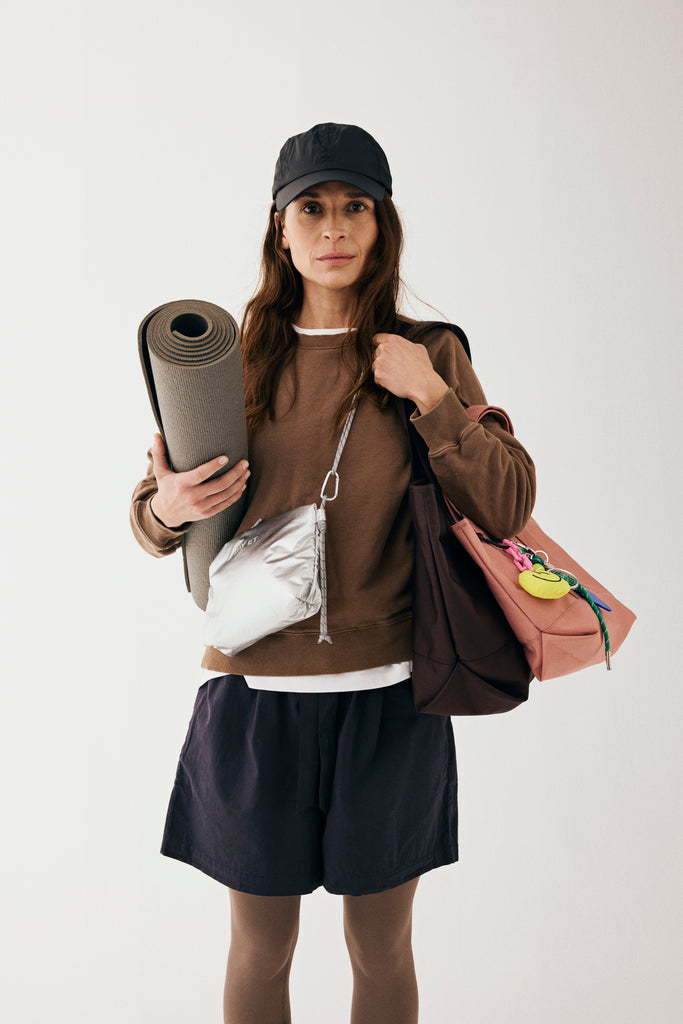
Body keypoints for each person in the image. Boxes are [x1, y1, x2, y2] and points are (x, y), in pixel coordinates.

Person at [130, 122, 536, 1024]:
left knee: (380, 949)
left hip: (391, 697)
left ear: (382, 223)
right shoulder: (230, 356)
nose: (333, 226)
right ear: (280, 230)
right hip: (254, 697)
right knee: (259, 949)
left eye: (356, 206)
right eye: (310, 208)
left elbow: (507, 503)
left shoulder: (430, 351)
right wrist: (171, 507)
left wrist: (430, 395)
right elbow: (151, 518)